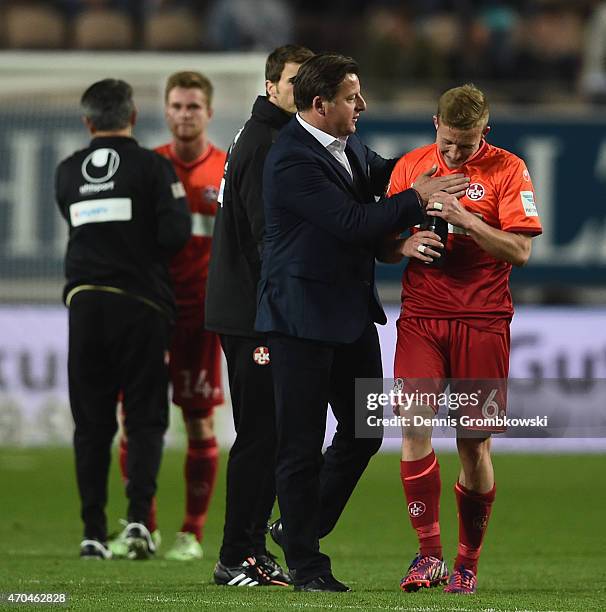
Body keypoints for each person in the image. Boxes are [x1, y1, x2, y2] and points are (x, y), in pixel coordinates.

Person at [254, 53, 470, 592]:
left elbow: (392, 177)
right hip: (299, 322)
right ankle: (307, 565)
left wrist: (448, 162)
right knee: (300, 445)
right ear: (320, 104)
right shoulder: (290, 158)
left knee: (364, 431)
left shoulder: (346, 146)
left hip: (349, 319)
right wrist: (418, 196)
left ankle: (298, 527)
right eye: (353, 97)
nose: (363, 105)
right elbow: (354, 222)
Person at [385, 83, 542, 594]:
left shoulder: (508, 169)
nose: (454, 153)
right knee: (413, 426)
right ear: (435, 125)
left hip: (483, 320)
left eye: (466, 144)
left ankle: (467, 565)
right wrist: (404, 242)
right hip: (422, 316)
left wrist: (467, 221)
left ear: (485, 133)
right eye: (448, 141)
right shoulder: (411, 167)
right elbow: (381, 239)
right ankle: (428, 555)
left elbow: (519, 252)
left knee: (473, 446)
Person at [55, 78, 191, 560]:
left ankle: (92, 531)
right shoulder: (153, 167)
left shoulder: (67, 171)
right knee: (145, 419)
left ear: (89, 122)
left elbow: (77, 223)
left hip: (85, 305)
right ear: (132, 117)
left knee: (90, 424)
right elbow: (177, 233)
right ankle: (137, 522)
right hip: (140, 306)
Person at [206, 44, 314, 587]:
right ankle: (237, 555)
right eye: (293, 81)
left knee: (267, 432)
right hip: (254, 314)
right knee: (260, 434)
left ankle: (246, 550)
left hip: (248, 308)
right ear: (271, 85)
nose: (301, 90)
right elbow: (264, 238)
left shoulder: (262, 137)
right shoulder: (269, 143)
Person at [111, 71, 227, 561]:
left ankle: (191, 533)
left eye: (193, 107)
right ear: (165, 111)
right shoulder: (146, 167)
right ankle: (143, 527)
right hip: (148, 312)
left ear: (209, 112)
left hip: (200, 316)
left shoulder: (226, 170)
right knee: (132, 420)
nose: (185, 115)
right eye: (177, 106)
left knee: (199, 423)